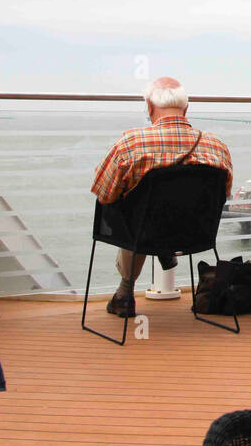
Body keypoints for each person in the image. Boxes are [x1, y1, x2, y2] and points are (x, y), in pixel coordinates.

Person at [91, 77, 233, 317]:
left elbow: (103, 192)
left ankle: (125, 292)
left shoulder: (131, 143)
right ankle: (164, 249)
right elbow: (224, 194)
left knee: (131, 209)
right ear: (186, 109)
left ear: (149, 107)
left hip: (144, 233)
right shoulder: (216, 146)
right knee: (151, 210)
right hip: (196, 233)